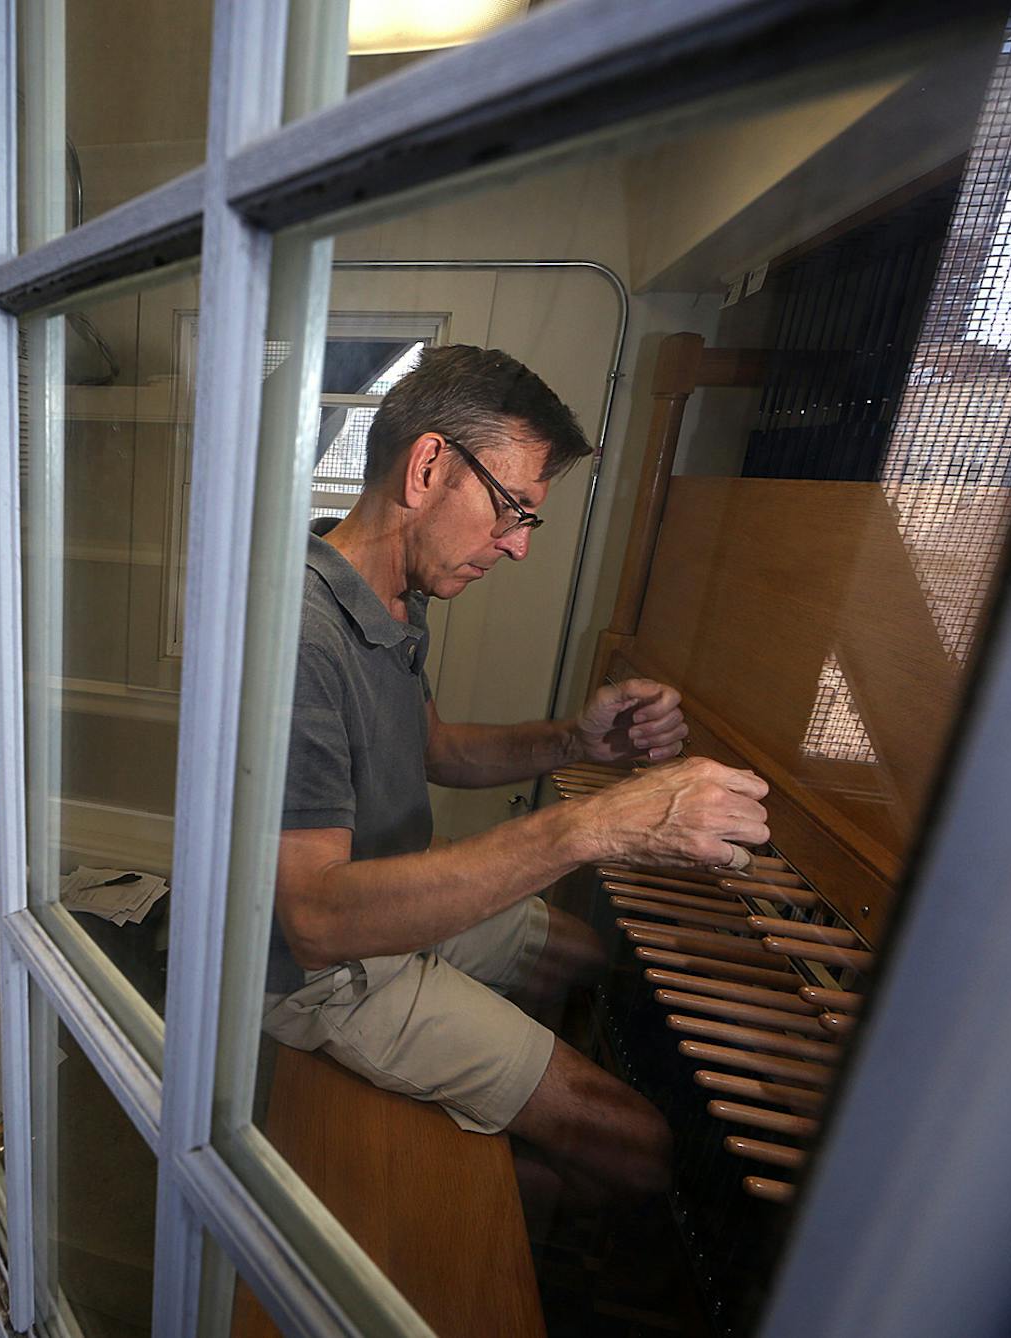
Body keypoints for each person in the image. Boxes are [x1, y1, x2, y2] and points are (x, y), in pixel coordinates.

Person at [266, 344, 771, 1203]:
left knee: (577, 953)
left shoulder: (391, 593)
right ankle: (423, 1205)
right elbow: (313, 919)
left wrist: (579, 744)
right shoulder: (296, 640)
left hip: (389, 906)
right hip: (316, 975)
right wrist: (594, 826)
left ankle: (491, 1114)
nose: (517, 547)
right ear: (429, 467)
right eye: (514, 510)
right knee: (640, 1144)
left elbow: (438, 750)